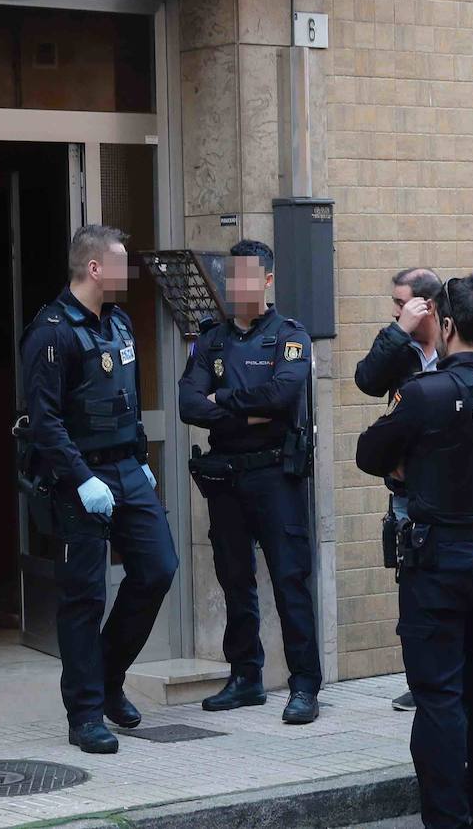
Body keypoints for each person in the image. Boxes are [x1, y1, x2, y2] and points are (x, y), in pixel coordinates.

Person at [356, 275, 473, 829]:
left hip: (438, 565)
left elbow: (368, 453)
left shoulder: (426, 394)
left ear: (447, 326)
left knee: (439, 699)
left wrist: (412, 461)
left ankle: (448, 819)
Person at [19, 224, 178, 755]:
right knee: (85, 597)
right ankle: (85, 713)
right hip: (79, 478)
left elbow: (130, 398)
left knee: (158, 567)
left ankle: (109, 677)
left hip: (126, 469)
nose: (128, 272)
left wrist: (141, 459)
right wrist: (82, 478)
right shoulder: (51, 332)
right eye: (120, 263)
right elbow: (44, 421)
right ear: (94, 268)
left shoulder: (119, 323)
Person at [178, 239, 322, 724]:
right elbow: (187, 404)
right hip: (226, 477)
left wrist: (221, 402)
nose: (236, 286)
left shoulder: (289, 336)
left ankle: (304, 685)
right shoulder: (211, 341)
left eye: (246, 277)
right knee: (234, 579)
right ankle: (246, 677)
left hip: (275, 475)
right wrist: (246, 410)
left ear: (266, 280)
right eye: (231, 277)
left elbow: (283, 396)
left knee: (289, 580)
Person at [354, 266, 442, 713]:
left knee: (446, 588)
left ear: (428, 304)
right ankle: (418, 681)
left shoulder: (454, 343)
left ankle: (447, 677)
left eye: (401, 302)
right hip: (407, 493)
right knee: (412, 590)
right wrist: (398, 331)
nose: (395, 310)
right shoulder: (398, 344)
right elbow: (367, 380)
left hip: (449, 488)